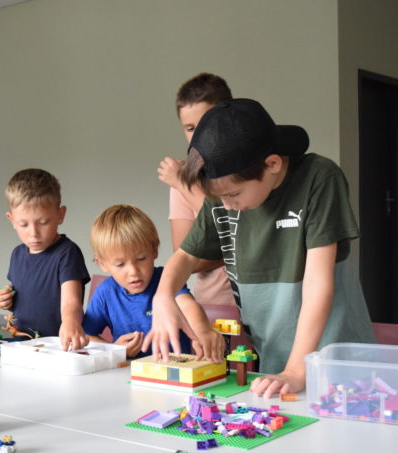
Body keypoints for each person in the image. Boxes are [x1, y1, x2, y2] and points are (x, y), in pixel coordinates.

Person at [144, 98, 375, 398]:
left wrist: (297, 370)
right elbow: (185, 256)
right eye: (219, 198)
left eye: (233, 194)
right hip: (276, 363)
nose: (226, 205)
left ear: (272, 164)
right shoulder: (223, 192)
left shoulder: (319, 177)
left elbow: (318, 282)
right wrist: (163, 295)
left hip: (333, 359)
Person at [82, 205, 223, 360]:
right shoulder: (105, 292)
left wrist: (202, 330)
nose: (133, 271)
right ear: (102, 264)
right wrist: (115, 350)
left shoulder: (166, 279)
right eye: (120, 264)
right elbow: (86, 336)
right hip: (129, 372)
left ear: (154, 250)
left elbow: (187, 304)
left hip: (174, 369)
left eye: (141, 259)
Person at [157, 73, 235, 307]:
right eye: (190, 128)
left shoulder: (251, 171)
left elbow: (242, 233)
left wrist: (183, 185)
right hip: (215, 306)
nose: (198, 135)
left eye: (205, 124)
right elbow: (186, 257)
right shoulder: (184, 176)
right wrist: (234, 251)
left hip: (263, 305)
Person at [0, 168, 90, 350]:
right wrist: (6, 300)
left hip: (58, 345)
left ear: (60, 215)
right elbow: (25, 300)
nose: (34, 233)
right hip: (24, 343)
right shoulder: (17, 254)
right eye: (23, 224)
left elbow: (71, 301)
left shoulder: (67, 252)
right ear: (12, 220)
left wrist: (70, 321)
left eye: (43, 222)